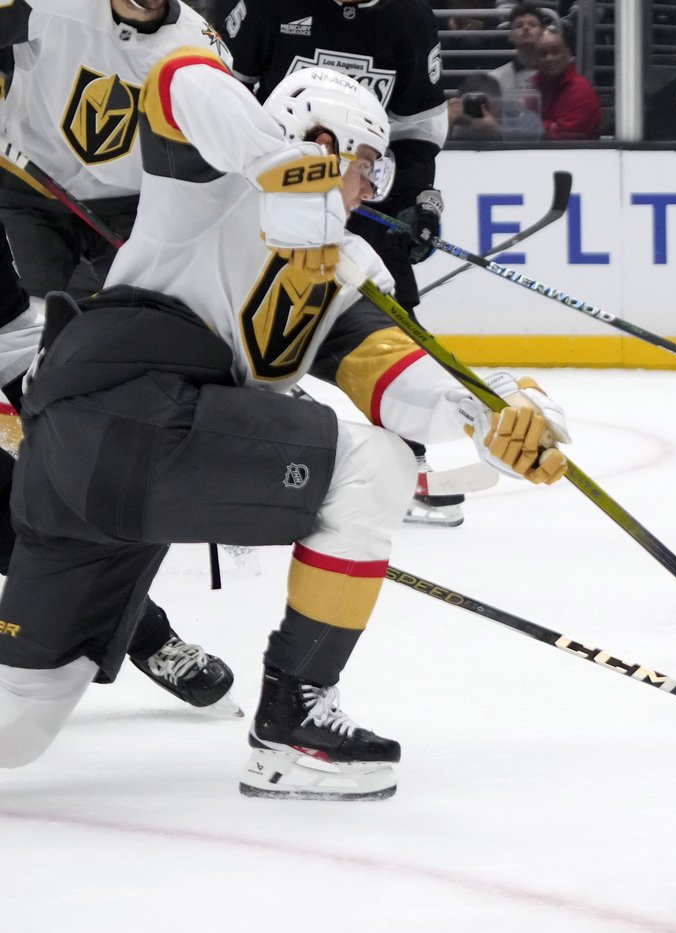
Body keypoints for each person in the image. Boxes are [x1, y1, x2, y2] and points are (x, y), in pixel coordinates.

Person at [0, 61, 571, 798]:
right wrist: (279, 162)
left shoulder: (332, 270)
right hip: (133, 420)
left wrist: (492, 412)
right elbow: (177, 81)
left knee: (16, 726)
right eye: (366, 166)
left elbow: (394, 376)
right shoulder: (212, 180)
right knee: (375, 466)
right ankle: (293, 724)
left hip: (81, 461)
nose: (371, 189)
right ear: (323, 139)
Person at [0, 0, 239, 712]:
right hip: (32, 184)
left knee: (61, 480)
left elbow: (14, 337)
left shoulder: (196, 42)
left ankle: (137, 628)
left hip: (117, 208)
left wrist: (52, 401)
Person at [215, 0, 458, 523]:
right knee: (252, 302)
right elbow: (220, 91)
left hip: (362, 186)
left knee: (393, 305)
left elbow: (417, 129)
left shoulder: (409, 17)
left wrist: (418, 201)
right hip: (272, 185)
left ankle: (409, 453)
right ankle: (246, 443)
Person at [532, 26, 601, 140]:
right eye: (543, 54)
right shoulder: (534, 86)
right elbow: (523, 125)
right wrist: (550, 125)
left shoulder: (581, 90)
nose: (549, 58)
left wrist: (538, 125)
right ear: (535, 60)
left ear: (568, 54)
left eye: (555, 52)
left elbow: (565, 136)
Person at [489, 1, 544, 93]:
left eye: (532, 24)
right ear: (510, 36)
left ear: (543, 32)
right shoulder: (496, 78)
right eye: (519, 25)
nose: (526, 28)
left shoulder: (556, 74)